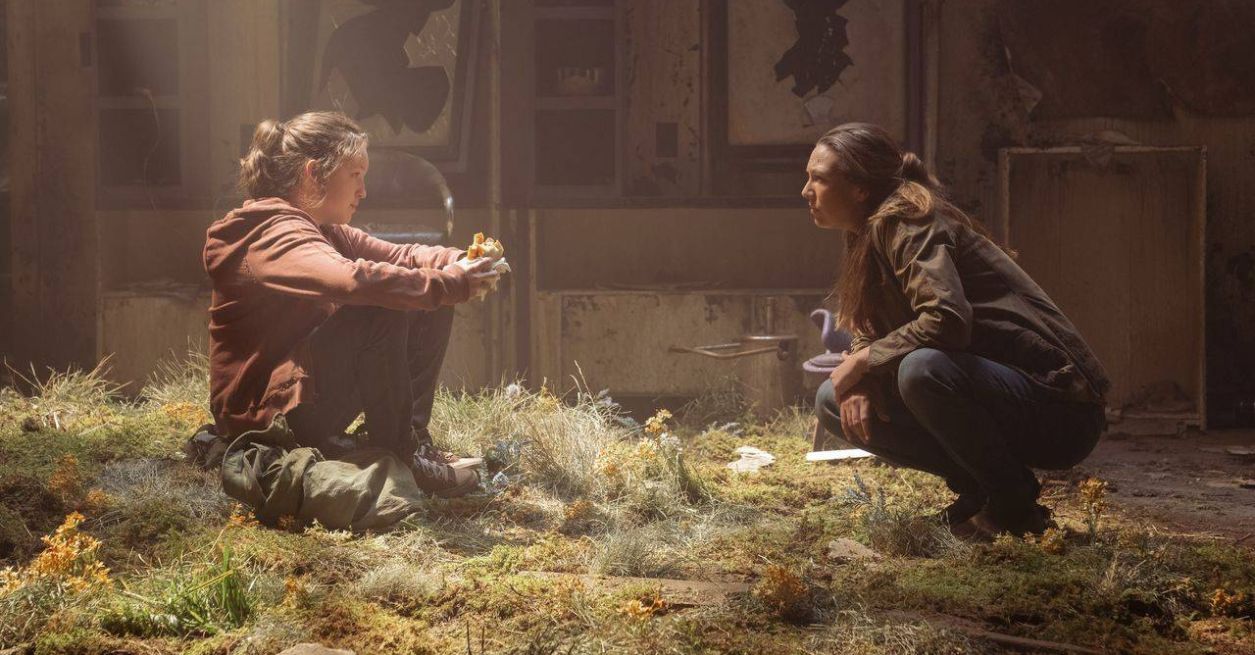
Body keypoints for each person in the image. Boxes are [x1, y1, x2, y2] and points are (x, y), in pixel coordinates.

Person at [806, 123, 1110, 537]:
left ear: (859, 188)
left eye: (819, 179)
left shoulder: (910, 224)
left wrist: (863, 361)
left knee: (922, 370)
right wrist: (862, 378)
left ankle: (1012, 503)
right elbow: (871, 325)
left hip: (1062, 410)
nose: (806, 191)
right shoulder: (866, 231)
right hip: (995, 394)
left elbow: (946, 320)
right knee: (832, 399)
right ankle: (980, 491)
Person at [204, 110, 498, 498]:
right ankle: (402, 456)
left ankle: (414, 442)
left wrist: (460, 261)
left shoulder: (321, 229)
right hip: (265, 418)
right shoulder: (269, 234)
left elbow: (403, 257)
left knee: (425, 293)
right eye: (355, 175)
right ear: (314, 173)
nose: (363, 191)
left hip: (300, 394)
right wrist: (450, 282)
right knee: (378, 305)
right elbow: (352, 280)